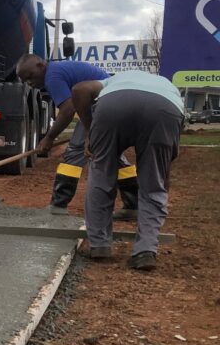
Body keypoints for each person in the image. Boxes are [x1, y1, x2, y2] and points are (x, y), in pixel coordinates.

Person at [71, 70, 184, 270]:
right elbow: (164, 172)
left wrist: (90, 131)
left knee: (101, 175)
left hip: (113, 107)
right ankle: (145, 251)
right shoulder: (168, 87)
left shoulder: (113, 81)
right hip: (165, 109)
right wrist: (160, 185)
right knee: (153, 185)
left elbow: (80, 89)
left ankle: (99, 245)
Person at [16, 54, 138, 218]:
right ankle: (133, 205)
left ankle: (58, 206)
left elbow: (67, 110)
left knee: (75, 151)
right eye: (25, 80)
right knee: (112, 155)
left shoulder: (52, 75)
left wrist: (49, 138)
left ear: (40, 65)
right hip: (111, 105)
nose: (30, 83)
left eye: (30, 76)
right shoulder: (58, 70)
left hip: (103, 106)